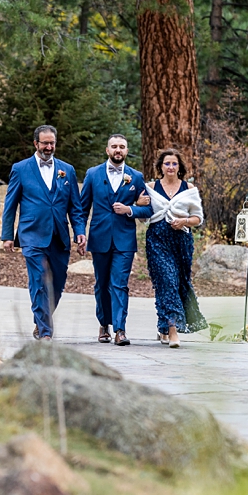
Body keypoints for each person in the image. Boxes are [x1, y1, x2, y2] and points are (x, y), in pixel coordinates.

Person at [1, 125, 87, 340]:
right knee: (39, 281)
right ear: (35, 144)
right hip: (32, 234)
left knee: (57, 285)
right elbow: (10, 204)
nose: (49, 147)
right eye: (45, 143)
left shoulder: (66, 170)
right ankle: (46, 332)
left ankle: (41, 320)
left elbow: (75, 207)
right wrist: (7, 236)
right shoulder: (21, 169)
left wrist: (79, 231)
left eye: (52, 143)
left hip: (59, 236)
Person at [80, 134, 151, 346]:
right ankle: (104, 324)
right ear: (107, 150)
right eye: (114, 146)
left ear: (127, 151)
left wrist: (130, 209)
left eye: (122, 147)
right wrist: (79, 233)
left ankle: (120, 329)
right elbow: (83, 208)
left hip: (124, 240)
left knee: (119, 284)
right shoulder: (93, 174)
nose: (118, 150)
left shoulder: (135, 177)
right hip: (99, 237)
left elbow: (147, 209)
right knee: (102, 284)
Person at [143, 148, 208, 348]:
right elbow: (142, 208)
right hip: (157, 241)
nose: (170, 167)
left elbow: (198, 218)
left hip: (181, 243)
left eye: (174, 164)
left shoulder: (189, 189)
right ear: (160, 167)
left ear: (179, 167)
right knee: (167, 281)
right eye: (167, 163)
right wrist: (138, 202)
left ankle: (162, 326)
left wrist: (184, 221)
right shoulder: (151, 187)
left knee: (177, 283)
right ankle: (172, 331)